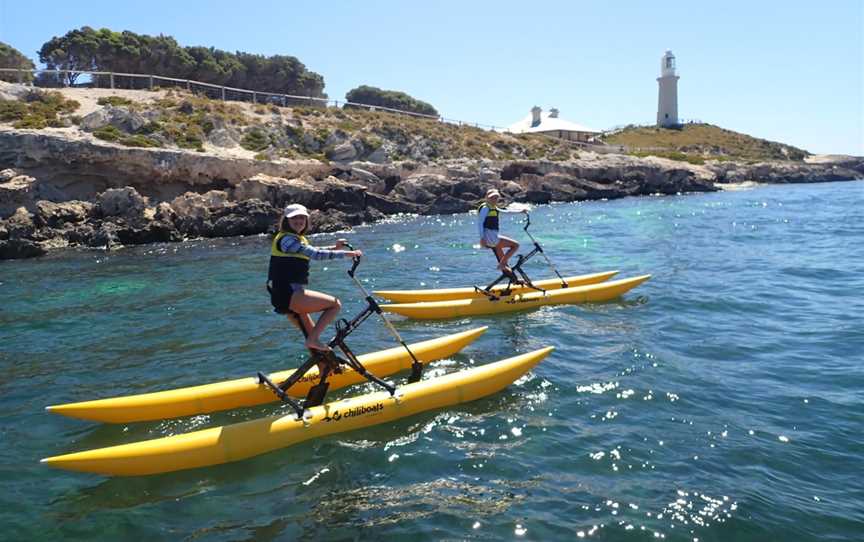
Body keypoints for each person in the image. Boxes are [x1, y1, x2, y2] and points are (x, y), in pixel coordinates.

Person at [268, 204, 362, 351]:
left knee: (316, 347)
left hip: (286, 296)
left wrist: (335, 248)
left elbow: (312, 251)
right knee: (335, 305)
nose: (299, 221)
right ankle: (312, 341)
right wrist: (347, 254)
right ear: (286, 220)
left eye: (302, 218)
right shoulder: (286, 239)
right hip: (288, 295)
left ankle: (323, 368)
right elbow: (315, 255)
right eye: (294, 218)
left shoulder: (296, 239)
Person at [477, 189, 526, 273]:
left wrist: (520, 211)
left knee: (503, 257)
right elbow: (480, 223)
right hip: (490, 238)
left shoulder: (493, 207)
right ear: (486, 198)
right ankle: (501, 265)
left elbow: (506, 212)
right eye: (492, 197)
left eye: (496, 197)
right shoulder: (486, 208)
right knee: (515, 245)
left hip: (492, 237)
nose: (494, 199)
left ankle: (512, 277)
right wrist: (482, 239)